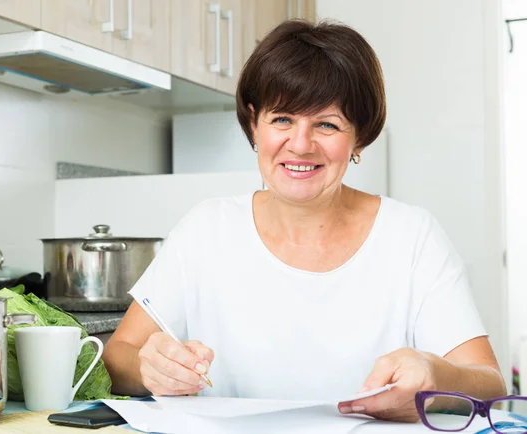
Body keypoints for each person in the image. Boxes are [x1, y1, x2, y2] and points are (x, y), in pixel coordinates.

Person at [102, 19, 506, 422]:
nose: (300, 144)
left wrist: (435, 375)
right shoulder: (205, 229)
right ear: (254, 123)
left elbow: (489, 382)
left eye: (327, 125)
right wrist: (149, 368)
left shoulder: (412, 237)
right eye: (282, 119)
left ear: (359, 137)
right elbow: (119, 356)